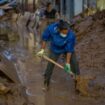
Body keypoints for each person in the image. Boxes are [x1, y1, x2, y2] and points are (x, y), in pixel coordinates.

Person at [37, 20, 80, 90]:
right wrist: (42, 50)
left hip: (66, 48)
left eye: (67, 30)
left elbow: (69, 50)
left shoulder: (71, 35)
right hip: (55, 49)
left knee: (75, 63)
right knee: (50, 65)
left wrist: (67, 64)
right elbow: (45, 39)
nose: (66, 32)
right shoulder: (50, 29)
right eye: (64, 31)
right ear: (59, 30)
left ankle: (78, 83)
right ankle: (46, 83)